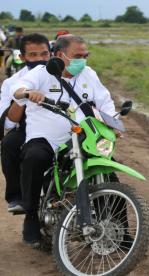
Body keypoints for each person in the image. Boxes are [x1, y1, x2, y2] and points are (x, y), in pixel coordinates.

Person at [11, 34, 116, 246]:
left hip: (82, 138)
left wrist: (113, 123)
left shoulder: (89, 74)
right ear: (60, 55)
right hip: (46, 139)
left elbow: (105, 102)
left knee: (110, 172)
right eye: (78, 55)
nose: (83, 60)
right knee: (34, 159)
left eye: (86, 55)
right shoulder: (41, 73)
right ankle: (31, 217)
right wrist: (29, 93)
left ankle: (118, 227)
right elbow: (19, 88)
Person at [0, 33, 51, 213]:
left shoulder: (63, 75)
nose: (40, 59)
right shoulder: (11, 83)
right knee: (9, 143)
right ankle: (18, 197)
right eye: (33, 55)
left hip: (61, 128)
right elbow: (7, 125)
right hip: (27, 130)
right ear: (22, 57)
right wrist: (22, 97)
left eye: (44, 54)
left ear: (51, 53)